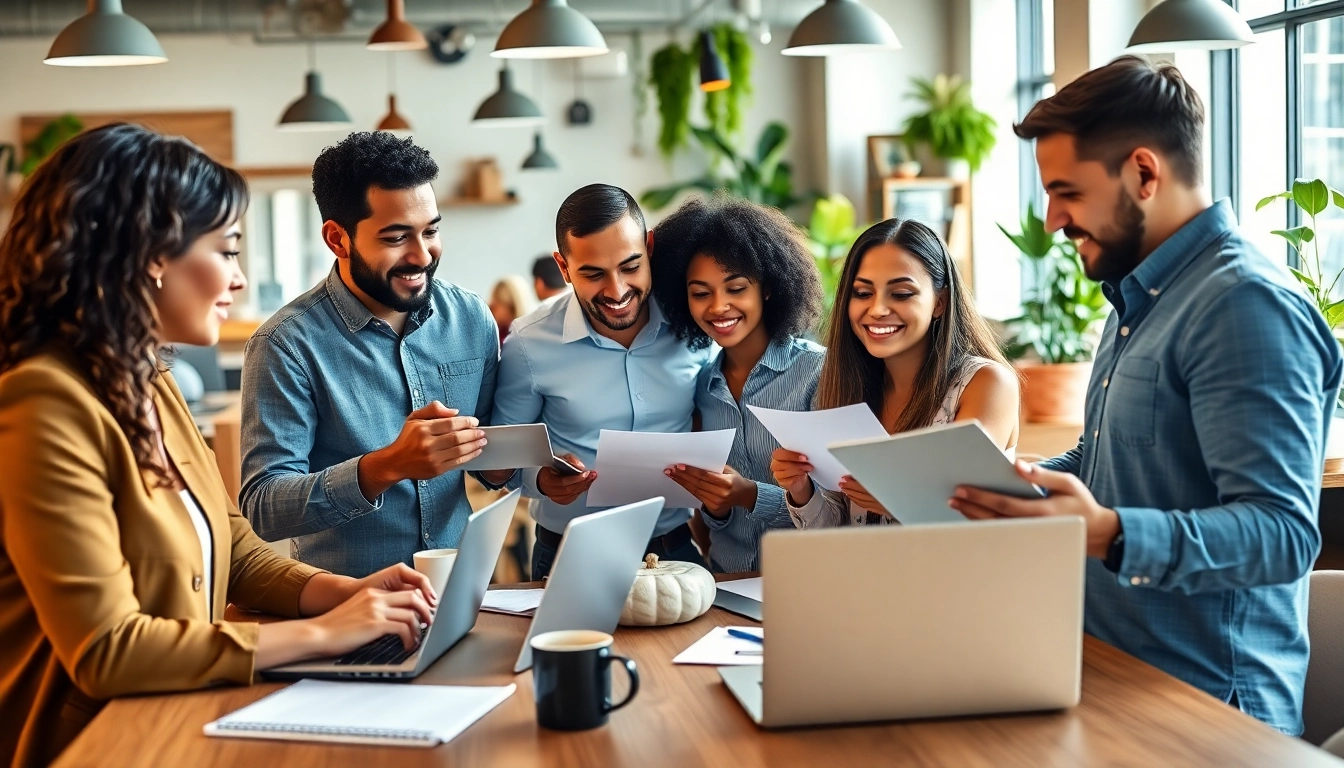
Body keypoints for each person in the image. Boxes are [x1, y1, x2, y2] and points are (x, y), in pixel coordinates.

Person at [0, 124, 438, 768]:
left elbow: (234, 551)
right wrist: (320, 633)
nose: (239, 279)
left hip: (179, 715)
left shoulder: (150, 379)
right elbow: (106, 651)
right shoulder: (44, 400)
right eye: (227, 250)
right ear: (150, 256)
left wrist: (341, 592)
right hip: (97, 743)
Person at [947, 56, 1343, 736]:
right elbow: (1113, 461)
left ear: (1143, 172)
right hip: (1111, 676)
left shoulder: (1242, 305)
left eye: (1065, 191)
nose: (1051, 221)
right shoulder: (1136, 296)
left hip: (1210, 714)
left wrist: (1108, 531)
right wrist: (1012, 485)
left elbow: (1281, 534)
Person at [241, 132, 511, 577]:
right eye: (396, 237)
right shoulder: (285, 345)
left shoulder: (470, 318)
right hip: (346, 608)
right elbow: (264, 506)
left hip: (462, 590)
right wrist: (386, 466)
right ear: (337, 239)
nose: (422, 255)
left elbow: (486, 457)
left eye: (431, 231)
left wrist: (531, 472)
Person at [492, 184, 713, 579]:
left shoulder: (693, 325)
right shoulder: (529, 343)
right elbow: (500, 464)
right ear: (563, 268)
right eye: (593, 274)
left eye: (630, 267)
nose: (617, 291)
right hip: (568, 557)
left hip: (674, 551)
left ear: (648, 247)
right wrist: (541, 479)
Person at [772, 218, 1019, 527]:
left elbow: (968, 513)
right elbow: (839, 532)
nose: (877, 309)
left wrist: (901, 500)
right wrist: (801, 491)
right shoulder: (851, 387)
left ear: (939, 303)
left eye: (901, 294)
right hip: (869, 572)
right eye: (863, 293)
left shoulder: (986, 383)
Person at [651, 195, 825, 573]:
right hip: (726, 584)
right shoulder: (701, 387)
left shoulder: (818, 373)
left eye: (736, 288)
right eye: (700, 293)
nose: (717, 306)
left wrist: (751, 495)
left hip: (806, 584)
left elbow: (837, 511)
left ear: (767, 286)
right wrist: (717, 505)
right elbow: (714, 522)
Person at [488, 274, 539, 345]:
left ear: (512, 307)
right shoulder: (493, 332)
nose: (492, 306)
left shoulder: (527, 337)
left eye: (498, 301)